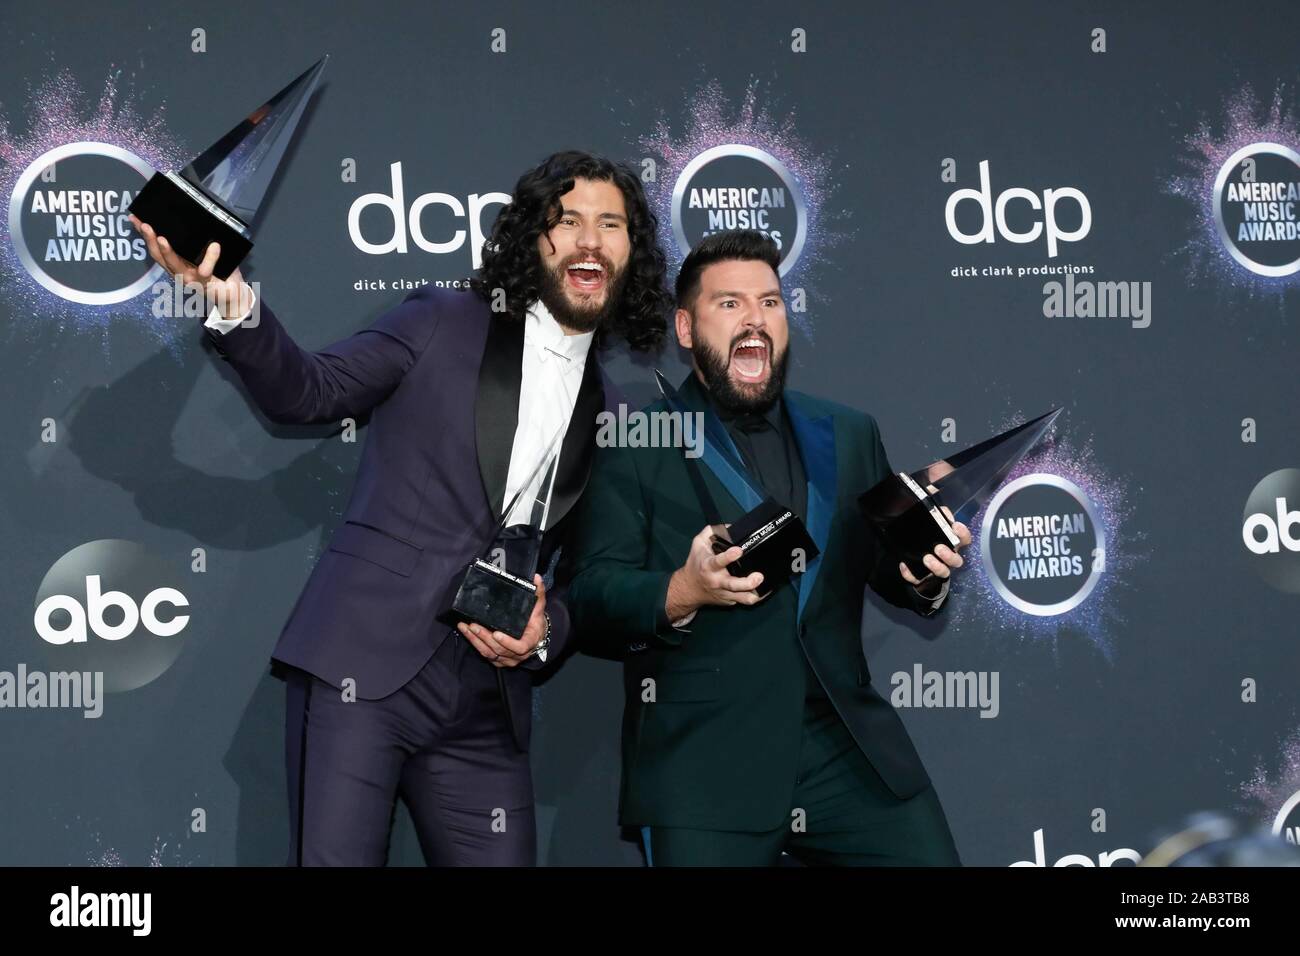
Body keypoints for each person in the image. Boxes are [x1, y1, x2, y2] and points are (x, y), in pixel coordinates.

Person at [129, 150, 671, 865]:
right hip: (363, 666)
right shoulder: (444, 320)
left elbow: (589, 578)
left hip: (487, 705)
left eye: (612, 224)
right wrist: (229, 299)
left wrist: (543, 633)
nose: (590, 240)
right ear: (531, 238)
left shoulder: (619, 409)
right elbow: (308, 393)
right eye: (567, 220)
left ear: (633, 252)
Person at [567, 229, 970, 866]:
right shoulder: (633, 442)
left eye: (771, 302)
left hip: (847, 751)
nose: (755, 319)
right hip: (705, 761)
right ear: (686, 327)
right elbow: (587, 597)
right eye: (729, 304)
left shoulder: (848, 430)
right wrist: (683, 591)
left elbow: (883, 568)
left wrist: (926, 574)